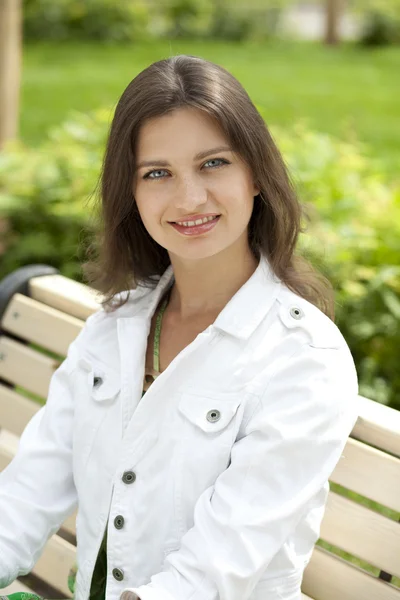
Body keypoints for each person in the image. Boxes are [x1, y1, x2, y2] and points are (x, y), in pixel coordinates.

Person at [0, 54, 359, 600]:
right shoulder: (116, 325)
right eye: (157, 173)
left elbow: (211, 574)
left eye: (213, 163)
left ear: (256, 174)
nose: (189, 198)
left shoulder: (304, 358)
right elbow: (28, 494)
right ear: (133, 193)